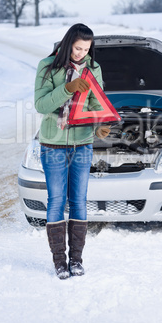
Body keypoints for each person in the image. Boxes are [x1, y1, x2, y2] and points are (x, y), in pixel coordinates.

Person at [34, 23, 110, 280]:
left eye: (86, 49)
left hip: (82, 143)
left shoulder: (93, 69)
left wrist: (99, 125)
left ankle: (76, 260)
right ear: (69, 43)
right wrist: (67, 88)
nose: (81, 53)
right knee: (57, 200)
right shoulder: (47, 66)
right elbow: (41, 105)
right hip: (52, 144)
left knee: (78, 200)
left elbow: (96, 103)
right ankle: (59, 262)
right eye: (78, 48)